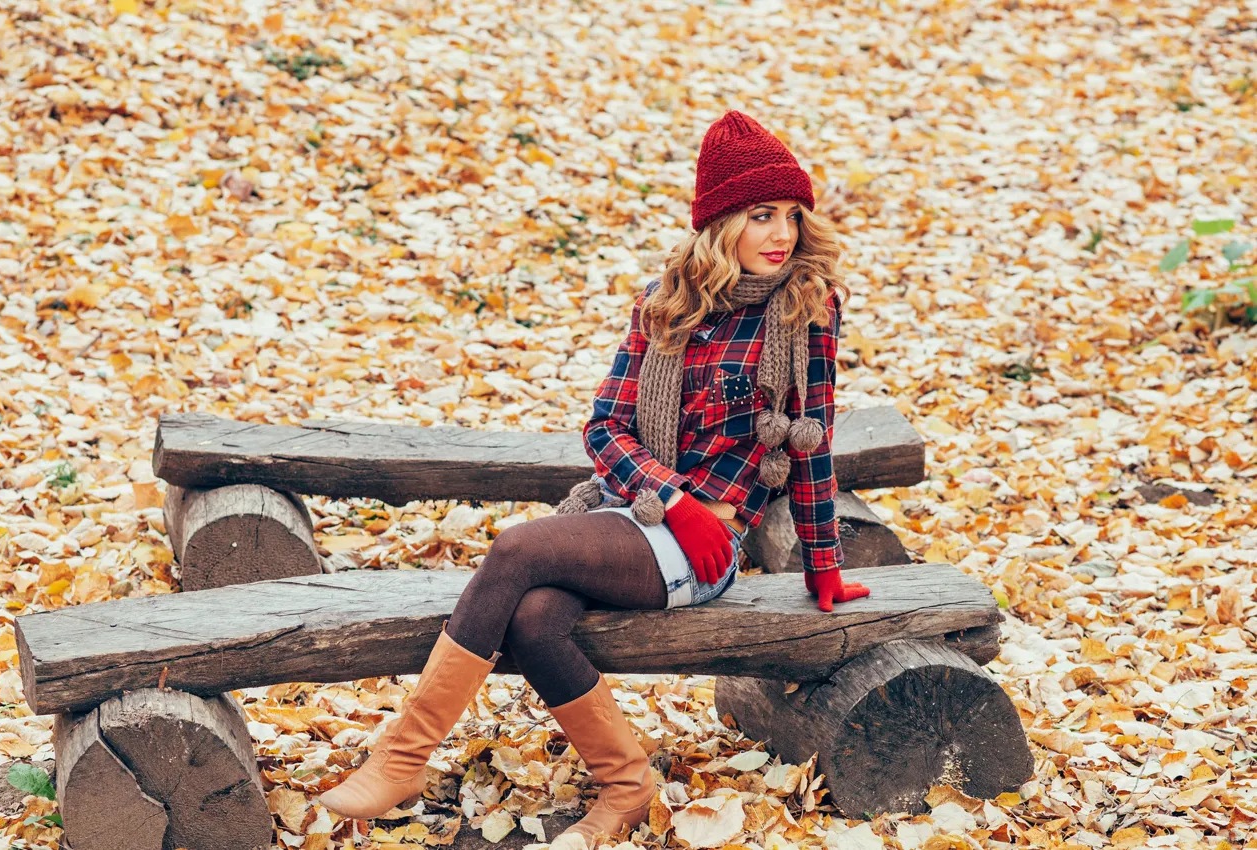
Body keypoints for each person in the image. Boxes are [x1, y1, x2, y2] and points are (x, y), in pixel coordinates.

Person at [316, 110, 870, 849]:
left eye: (791, 216)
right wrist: (672, 499)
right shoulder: (665, 303)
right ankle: (626, 784)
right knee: (535, 616)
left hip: (711, 548)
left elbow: (814, 443)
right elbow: (604, 430)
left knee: (516, 550)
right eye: (759, 215)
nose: (781, 235)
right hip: (640, 514)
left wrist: (824, 563)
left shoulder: (807, 308)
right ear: (718, 223)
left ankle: (403, 758)